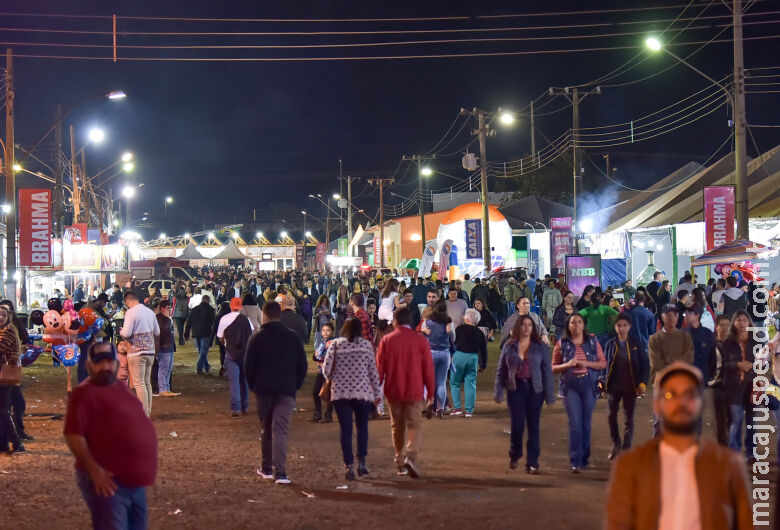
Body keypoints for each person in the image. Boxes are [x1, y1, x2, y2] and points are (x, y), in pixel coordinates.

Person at [605, 362, 752, 530]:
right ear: (656, 405)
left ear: (702, 403)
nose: (681, 402)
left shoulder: (729, 466)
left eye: (689, 395)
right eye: (670, 395)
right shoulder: (630, 467)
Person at [64, 342, 158, 529]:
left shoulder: (119, 388)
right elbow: (73, 434)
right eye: (99, 362)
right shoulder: (84, 393)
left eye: (109, 361)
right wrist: (95, 472)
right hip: (108, 481)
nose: (105, 367)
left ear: (116, 363)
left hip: (133, 482)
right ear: (88, 365)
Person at [244, 301, 307, 485]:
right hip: (286, 390)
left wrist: (254, 386)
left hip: (264, 390)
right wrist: (294, 385)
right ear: (279, 315)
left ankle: (266, 468)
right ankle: (280, 472)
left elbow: (249, 368)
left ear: (264, 315)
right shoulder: (292, 338)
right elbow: (302, 365)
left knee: (267, 428)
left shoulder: (257, 338)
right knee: (280, 430)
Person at [376, 307, 435, 478]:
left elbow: (379, 370)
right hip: (414, 390)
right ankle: (410, 456)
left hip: (393, 390)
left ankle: (399, 460)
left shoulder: (386, 340)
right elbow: (428, 370)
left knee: (397, 427)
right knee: (414, 425)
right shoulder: (420, 340)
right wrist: (430, 394)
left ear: (395, 321)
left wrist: (375, 392)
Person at [323, 318, 382, 480]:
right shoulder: (366, 345)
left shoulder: (335, 344)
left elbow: (326, 370)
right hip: (362, 393)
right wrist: (377, 394)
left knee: (346, 430)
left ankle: (348, 465)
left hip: (340, 394)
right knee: (362, 427)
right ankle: (362, 462)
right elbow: (373, 372)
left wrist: (336, 378)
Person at [495, 314, 554, 473]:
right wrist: (499, 391)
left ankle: (533, 462)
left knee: (533, 426)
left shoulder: (540, 346)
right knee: (518, 425)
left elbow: (547, 371)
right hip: (515, 389)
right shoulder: (509, 345)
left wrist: (549, 395)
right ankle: (515, 453)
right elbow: (501, 369)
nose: (527, 328)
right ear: (518, 327)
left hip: (535, 390)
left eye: (530, 325)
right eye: (524, 325)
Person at [552, 314, 606, 472]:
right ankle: (575, 459)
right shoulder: (562, 344)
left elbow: (603, 363)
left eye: (579, 322)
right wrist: (567, 364)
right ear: (568, 326)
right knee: (575, 422)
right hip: (570, 387)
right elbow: (553, 367)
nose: (576, 325)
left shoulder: (593, 342)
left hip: (589, 384)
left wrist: (584, 363)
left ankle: (584, 458)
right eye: (573, 322)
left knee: (586, 423)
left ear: (584, 325)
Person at [604, 314, 647, 460]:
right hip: (613, 387)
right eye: (618, 325)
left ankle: (627, 448)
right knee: (611, 416)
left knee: (629, 419)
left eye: (624, 325)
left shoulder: (636, 343)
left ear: (629, 326)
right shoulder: (610, 344)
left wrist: (642, 383)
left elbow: (644, 364)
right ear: (615, 327)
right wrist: (601, 384)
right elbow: (604, 366)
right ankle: (616, 443)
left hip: (631, 386)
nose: (621, 328)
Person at [720, 310, 758, 460]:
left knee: (752, 421)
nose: (741, 323)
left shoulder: (756, 341)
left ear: (749, 323)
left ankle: (751, 452)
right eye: (738, 320)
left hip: (751, 386)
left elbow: (764, 362)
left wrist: (752, 366)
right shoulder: (728, 343)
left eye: (744, 320)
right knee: (736, 419)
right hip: (734, 386)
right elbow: (723, 365)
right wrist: (738, 364)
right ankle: (734, 451)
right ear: (734, 323)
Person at [120, 291, 160, 417]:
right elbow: (157, 332)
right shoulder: (149, 312)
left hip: (136, 351)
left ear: (127, 301)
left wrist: (121, 332)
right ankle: (147, 410)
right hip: (150, 351)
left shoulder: (131, 312)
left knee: (139, 383)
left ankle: (143, 413)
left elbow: (126, 333)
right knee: (146, 382)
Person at [218, 298, 254, 417]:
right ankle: (245, 406)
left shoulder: (224, 319)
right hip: (245, 354)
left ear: (230, 306)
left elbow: (220, 337)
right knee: (244, 380)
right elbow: (251, 334)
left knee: (234, 381)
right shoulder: (246, 320)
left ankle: (236, 408)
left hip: (231, 352)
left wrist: (226, 344)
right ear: (240, 307)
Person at [450, 308, 487, 418]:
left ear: (468, 318)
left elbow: (453, 343)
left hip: (459, 356)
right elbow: (484, 351)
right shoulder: (480, 333)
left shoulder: (459, 329)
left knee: (454, 383)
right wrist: (483, 365)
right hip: (473, 358)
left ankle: (457, 408)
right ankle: (469, 411)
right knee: (470, 384)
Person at [420, 301, 453, 417]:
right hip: (444, 353)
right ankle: (440, 409)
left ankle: (429, 402)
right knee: (441, 382)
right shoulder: (448, 322)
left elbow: (422, 337)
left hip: (431, 353)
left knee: (427, 381)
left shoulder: (427, 322)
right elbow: (452, 338)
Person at [0, 306, 23, 454]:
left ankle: (17, 443)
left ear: (8, 316)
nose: (0, 318)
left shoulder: (8, 331)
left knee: (3, 410)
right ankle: (4, 444)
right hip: (3, 374)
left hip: (4, 374)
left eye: (3, 315)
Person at [710, 314, 732, 445]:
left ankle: (726, 441)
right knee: (720, 417)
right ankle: (722, 445)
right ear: (716, 327)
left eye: (727, 325)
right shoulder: (712, 345)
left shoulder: (733, 344)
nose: (724, 328)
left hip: (732, 385)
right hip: (716, 385)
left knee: (732, 416)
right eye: (721, 325)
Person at [185, 294, 216, 376]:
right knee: (203, 351)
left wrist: (186, 333)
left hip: (196, 332)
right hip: (206, 333)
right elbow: (214, 322)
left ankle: (206, 367)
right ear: (208, 301)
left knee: (201, 351)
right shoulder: (211, 310)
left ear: (202, 300)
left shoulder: (194, 309)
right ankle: (199, 368)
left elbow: (189, 322)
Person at [155, 300, 179, 397]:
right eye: (169, 308)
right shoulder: (159, 319)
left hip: (169, 347)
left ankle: (167, 388)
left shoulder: (167, 319)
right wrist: (156, 351)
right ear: (163, 309)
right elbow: (157, 337)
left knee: (168, 369)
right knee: (163, 369)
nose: (170, 310)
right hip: (163, 348)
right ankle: (163, 389)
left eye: (170, 308)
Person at [311, 321, 334, 423]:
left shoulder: (331, 343)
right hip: (320, 371)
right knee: (316, 392)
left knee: (328, 393)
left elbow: (320, 356)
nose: (325, 332)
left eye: (328, 330)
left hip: (329, 372)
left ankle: (328, 415)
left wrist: (317, 357)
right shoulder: (322, 342)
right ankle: (318, 413)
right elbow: (316, 357)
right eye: (324, 330)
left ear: (332, 332)